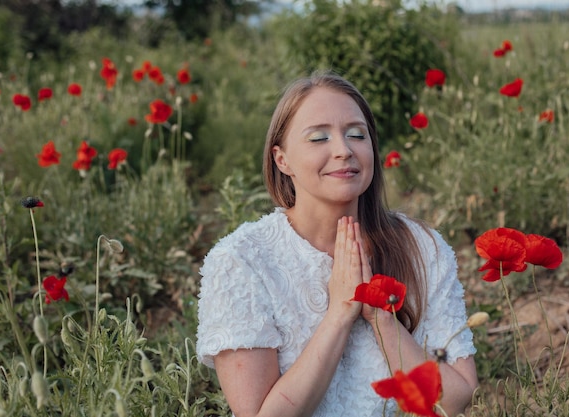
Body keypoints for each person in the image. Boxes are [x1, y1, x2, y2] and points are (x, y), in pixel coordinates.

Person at [196, 70, 478, 417]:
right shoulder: (241, 262)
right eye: (318, 138)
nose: (344, 150)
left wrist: (381, 320)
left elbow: (456, 398)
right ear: (281, 159)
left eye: (357, 135)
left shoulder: (423, 247)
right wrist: (340, 313)